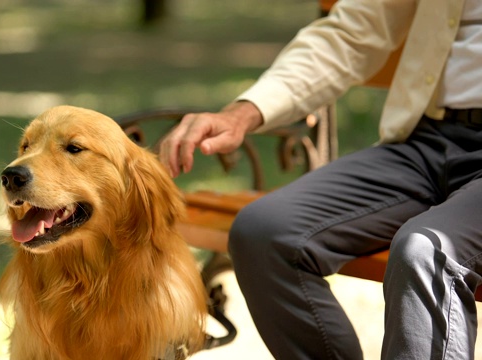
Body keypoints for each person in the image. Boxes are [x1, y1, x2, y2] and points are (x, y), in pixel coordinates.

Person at [159, 0, 482, 358]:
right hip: (427, 139)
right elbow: (351, 33)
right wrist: (243, 114)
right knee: (264, 233)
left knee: (425, 254)